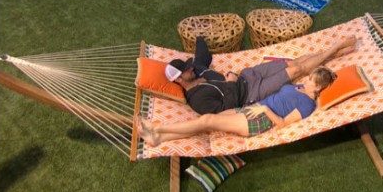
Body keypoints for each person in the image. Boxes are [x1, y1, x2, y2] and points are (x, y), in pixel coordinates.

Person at [137, 66, 337, 147]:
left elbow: (283, 124)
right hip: (252, 108)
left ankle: (157, 128)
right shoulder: (301, 87)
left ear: (318, 87)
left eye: (310, 80)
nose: (306, 80)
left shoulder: (307, 104)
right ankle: (160, 138)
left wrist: (265, 110)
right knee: (205, 122)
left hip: (260, 119)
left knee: (207, 119)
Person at [165, 36, 358, 115]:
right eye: (186, 70)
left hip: (248, 75)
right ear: (179, 80)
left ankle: (335, 54)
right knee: (296, 71)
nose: (191, 69)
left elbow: (202, 56)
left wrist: (200, 37)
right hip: (251, 93)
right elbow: (226, 109)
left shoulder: (198, 69)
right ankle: (337, 47)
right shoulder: (198, 100)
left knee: (295, 62)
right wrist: (230, 83)